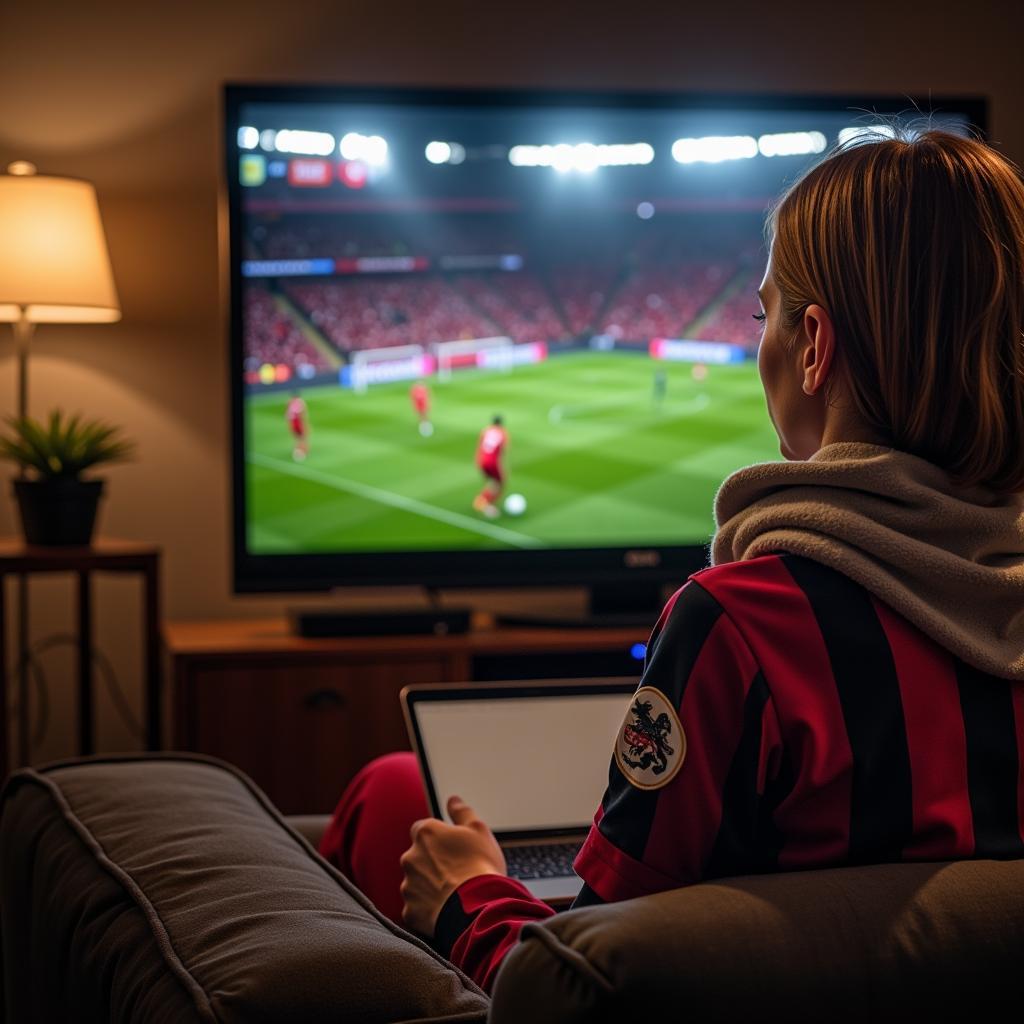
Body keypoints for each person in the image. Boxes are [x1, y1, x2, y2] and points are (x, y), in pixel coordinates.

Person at [319, 129, 1024, 994]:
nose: (759, 341)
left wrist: (469, 898)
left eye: (761, 314)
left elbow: (587, 980)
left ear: (813, 346)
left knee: (399, 790)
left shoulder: (743, 623)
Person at [472, 415, 507, 519]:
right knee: (499, 483)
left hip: (482, 461)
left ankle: (485, 502)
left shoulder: (485, 431)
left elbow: (480, 446)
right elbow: (502, 452)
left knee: (492, 483)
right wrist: (501, 466)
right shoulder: (502, 433)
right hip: (492, 462)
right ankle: (483, 503)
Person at [285, 390, 308, 460]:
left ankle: (297, 451)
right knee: (303, 438)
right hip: (299, 422)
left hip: (293, 422)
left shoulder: (289, 402)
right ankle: (302, 452)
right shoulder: (300, 402)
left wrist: (289, 425)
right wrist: (305, 425)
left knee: (297, 438)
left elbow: (287, 415)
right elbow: (302, 414)